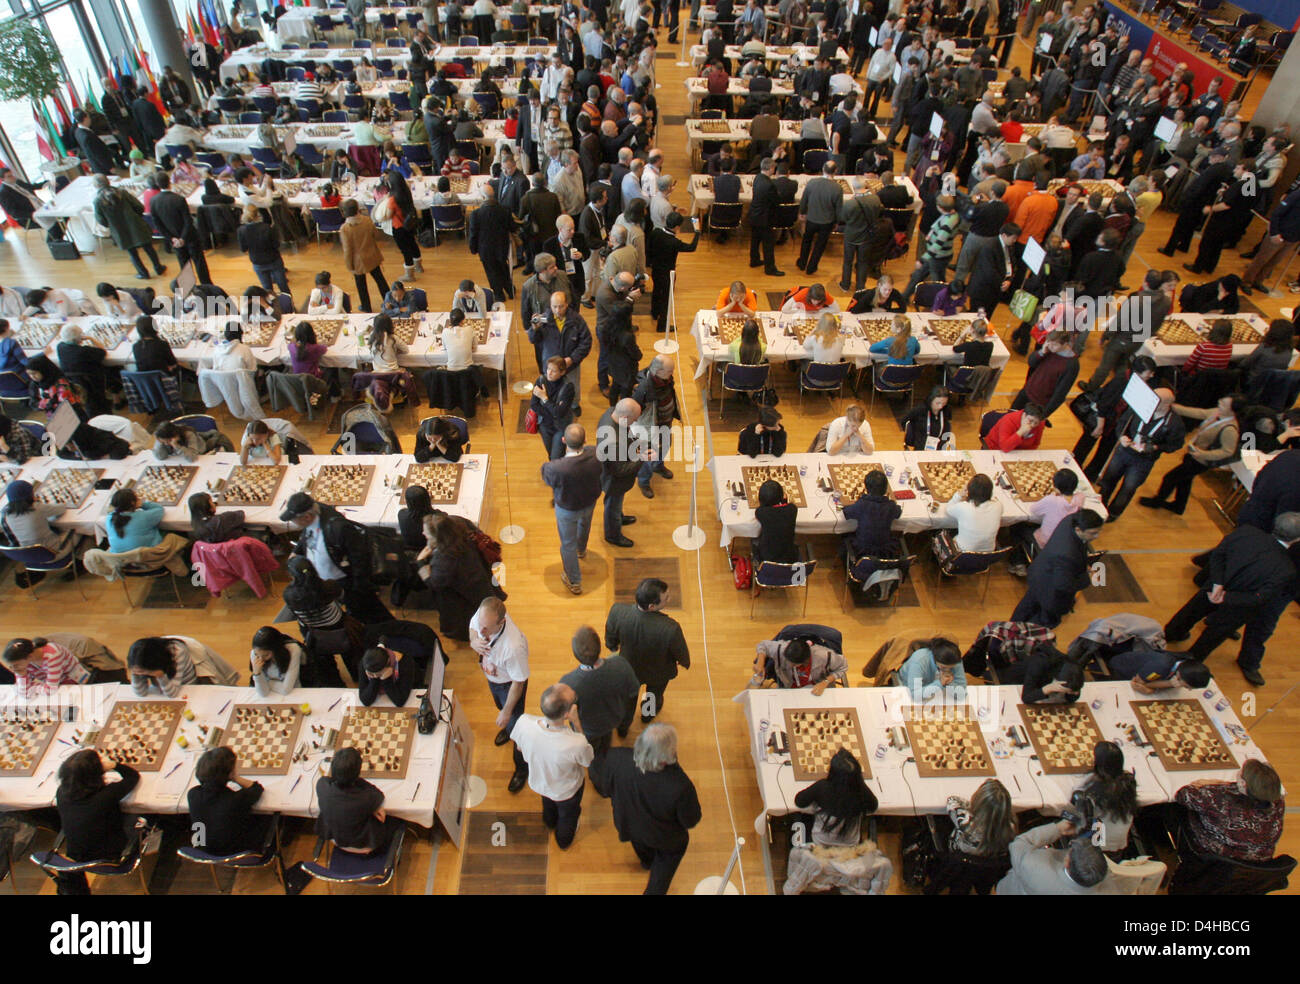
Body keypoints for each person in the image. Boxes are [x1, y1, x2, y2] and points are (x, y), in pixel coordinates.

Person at [1165, 512, 1300, 686]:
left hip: (1213, 587)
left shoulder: (1246, 532)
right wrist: (1225, 597)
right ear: (1296, 539)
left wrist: (1218, 584)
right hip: (1238, 605)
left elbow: (1219, 554)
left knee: (1191, 611)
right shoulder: (1286, 569)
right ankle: (1192, 657)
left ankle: (1171, 633)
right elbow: (1260, 597)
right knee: (1217, 632)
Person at [597, 723, 701, 894]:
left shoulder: (615, 757)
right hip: (665, 839)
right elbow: (690, 820)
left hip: (629, 824)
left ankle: (646, 861)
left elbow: (606, 789)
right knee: (660, 879)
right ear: (665, 758)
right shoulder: (680, 786)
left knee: (642, 847)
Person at [281, 491, 391, 626]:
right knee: (357, 611)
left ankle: (383, 631)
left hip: (348, 583)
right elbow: (306, 534)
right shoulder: (314, 513)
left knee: (369, 610)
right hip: (330, 580)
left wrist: (359, 587)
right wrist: (297, 551)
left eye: (294, 520)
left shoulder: (338, 528)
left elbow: (360, 558)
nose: (293, 523)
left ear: (307, 516)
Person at [510, 684, 594, 848]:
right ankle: (563, 841)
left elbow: (519, 748)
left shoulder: (524, 721)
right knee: (568, 816)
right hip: (567, 791)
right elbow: (588, 761)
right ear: (566, 714)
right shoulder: (576, 742)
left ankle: (549, 822)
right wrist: (576, 723)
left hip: (539, 782)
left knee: (548, 804)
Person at [606, 577, 690, 730]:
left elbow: (610, 637)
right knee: (652, 695)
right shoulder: (670, 628)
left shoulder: (617, 611)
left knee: (628, 698)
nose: (669, 599)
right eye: (666, 598)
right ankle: (647, 715)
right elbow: (680, 652)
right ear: (652, 606)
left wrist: (612, 647)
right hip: (657, 672)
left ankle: (624, 727)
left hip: (628, 669)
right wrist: (684, 662)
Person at [52, 749, 140, 893]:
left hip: (77, 856)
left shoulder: (61, 792)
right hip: (110, 854)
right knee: (146, 815)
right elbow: (132, 776)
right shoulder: (105, 796)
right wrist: (113, 766)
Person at [1140, 395, 1243, 515]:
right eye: (1221, 401)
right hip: (1193, 454)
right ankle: (1179, 506)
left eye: (1224, 404)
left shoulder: (1230, 429)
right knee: (1185, 480)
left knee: (1170, 478)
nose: (1219, 403)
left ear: (1232, 410)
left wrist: (1203, 454)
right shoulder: (1216, 413)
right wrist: (1171, 406)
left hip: (1200, 460)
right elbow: (1198, 413)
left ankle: (1157, 501)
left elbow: (1227, 451)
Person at [469, 596, 531, 793]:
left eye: (486, 628)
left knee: (516, 728)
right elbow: (472, 628)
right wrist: (473, 642)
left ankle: (522, 768)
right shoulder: (483, 617)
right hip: (494, 679)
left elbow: (518, 683)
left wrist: (506, 711)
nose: (482, 631)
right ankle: (507, 727)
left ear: (501, 622)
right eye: (481, 625)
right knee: (501, 709)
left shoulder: (513, 648)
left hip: (509, 685)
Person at [1097, 386, 1185, 520]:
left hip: (1143, 460)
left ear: (1167, 404)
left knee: (1128, 488)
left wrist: (1156, 447)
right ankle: (1099, 507)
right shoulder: (1139, 408)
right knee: (1108, 480)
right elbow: (1122, 422)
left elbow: (1176, 444)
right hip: (1123, 451)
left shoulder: (1174, 424)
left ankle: (1113, 513)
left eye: (1156, 400)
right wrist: (1122, 436)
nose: (1150, 402)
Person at [1173, 760, 1285, 863]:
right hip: (1256, 864)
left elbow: (1182, 794)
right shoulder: (1278, 802)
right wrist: (1225, 784)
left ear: (1243, 784)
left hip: (1213, 857)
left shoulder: (1217, 799)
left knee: (1171, 808)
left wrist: (1213, 785)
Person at [560, 625, 639, 769]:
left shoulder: (568, 683)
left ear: (576, 655)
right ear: (599, 646)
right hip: (615, 717)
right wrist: (625, 722)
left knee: (594, 755)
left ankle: (598, 769)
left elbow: (565, 713)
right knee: (606, 743)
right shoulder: (621, 665)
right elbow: (633, 692)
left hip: (589, 730)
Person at [1010, 510, 1105, 628]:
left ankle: (1011, 629)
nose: (1097, 536)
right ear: (1078, 530)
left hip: (1040, 574)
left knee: (1026, 608)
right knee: (1041, 624)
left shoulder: (1070, 520)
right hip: (1051, 593)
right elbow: (1064, 584)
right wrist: (1086, 578)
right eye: (1093, 533)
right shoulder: (1067, 554)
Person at [416, 513, 503, 640]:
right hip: (481, 576)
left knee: (471, 616)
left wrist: (420, 563)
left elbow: (434, 582)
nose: (423, 534)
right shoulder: (458, 523)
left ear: (439, 537)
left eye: (427, 533)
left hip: (466, 595)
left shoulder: (446, 560)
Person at [541, 423, 602, 595]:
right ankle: (581, 550)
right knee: (585, 525)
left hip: (567, 509)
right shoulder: (597, 454)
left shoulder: (556, 467)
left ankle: (574, 581)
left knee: (567, 545)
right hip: (590, 502)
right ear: (585, 440)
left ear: (563, 440)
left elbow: (546, 477)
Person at [187, 745, 272, 861]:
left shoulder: (192, 794)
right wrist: (235, 778)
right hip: (238, 851)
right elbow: (256, 789)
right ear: (228, 774)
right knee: (273, 816)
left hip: (205, 850)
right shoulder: (235, 799)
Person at [995, 817, 1119, 894]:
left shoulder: (1033, 867)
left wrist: (1058, 829)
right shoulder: (1112, 890)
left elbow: (1019, 843)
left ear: (1067, 862)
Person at [315, 746, 401, 854]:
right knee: (396, 821)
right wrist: (355, 779)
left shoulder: (321, 786)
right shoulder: (365, 799)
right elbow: (378, 795)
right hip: (363, 843)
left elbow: (328, 779)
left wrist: (343, 775)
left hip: (336, 838)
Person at [792, 747, 877, 850]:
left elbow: (799, 801)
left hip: (820, 844)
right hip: (851, 846)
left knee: (801, 816)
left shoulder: (822, 787)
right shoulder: (860, 791)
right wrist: (859, 783)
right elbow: (873, 807)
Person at [92, 175, 166, 280]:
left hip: (119, 230)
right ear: (108, 181)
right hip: (136, 224)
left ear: (96, 185)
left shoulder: (98, 201)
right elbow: (139, 207)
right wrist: (136, 216)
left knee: (133, 254)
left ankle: (143, 273)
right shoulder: (122, 193)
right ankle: (158, 268)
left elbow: (101, 220)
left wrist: (111, 225)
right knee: (149, 248)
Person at [596, 398, 643, 549]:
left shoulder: (612, 412)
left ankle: (618, 518)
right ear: (624, 417)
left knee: (616, 504)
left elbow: (626, 433)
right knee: (612, 506)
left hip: (615, 474)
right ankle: (613, 535)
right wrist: (641, 457)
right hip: (613, 481)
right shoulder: (612, 442)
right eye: (634, 419)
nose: (635, 422)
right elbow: (620, 470)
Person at [2, 479, 80, 561]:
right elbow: (62, 508)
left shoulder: (6, 513)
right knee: (79, 531)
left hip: (29, 557)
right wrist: (38, 503)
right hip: (55, 553)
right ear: (30, 495)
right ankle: (80, 561)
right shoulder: (37, 507)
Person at [339, 198, 390, 313]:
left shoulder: (345, 229)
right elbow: (376, 235)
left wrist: (349, 266)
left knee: (361, 286)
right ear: (358, 209)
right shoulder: (367, 220)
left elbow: (347, 250)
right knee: (380, 280)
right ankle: (389, 301)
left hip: (358, 261)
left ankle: (366, 307)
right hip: (372, 254)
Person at [946, 779, 1017, 858]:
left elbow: (952, 799)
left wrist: (971, 805)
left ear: (978, 800)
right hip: (992, 863)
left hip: (958, 856)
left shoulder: (965, 821)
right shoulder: (1011, 828)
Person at [751, 634, 848, 691]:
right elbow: (763, 645)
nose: (789, 665)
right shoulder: (781, 648)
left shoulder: (823, 656)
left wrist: (826, 681)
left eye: (794, 664)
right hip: (788, 688)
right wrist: (760, 662)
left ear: (806, 660)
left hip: (816, 688)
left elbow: (843, 667)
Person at [1, 636, 89, 696]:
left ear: (29, 657)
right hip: (53, 683)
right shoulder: (25, 662)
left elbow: (50, 690)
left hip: (73, 679)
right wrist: (22, 675)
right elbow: (23, 692)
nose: (13, 669)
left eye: (16, 665)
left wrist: (33, 688)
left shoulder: (52, 655)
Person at [531, 355, 576, 460]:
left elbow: (560, 413)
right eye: (548, 369)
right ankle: (555, 469)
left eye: (554, 371)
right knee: (550, 453)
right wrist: (553, 411)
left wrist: (544, 398)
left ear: (562, 372)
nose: (549, 373)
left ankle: (556, 472)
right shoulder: (541, 380)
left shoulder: (568, 387)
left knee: (556, 456)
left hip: (560, 427)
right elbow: (534, 405)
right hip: (545, 425)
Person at [127, 636, 200, 697]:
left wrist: (160, 676)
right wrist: (135, 673)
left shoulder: (178, 652)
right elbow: (140, 693)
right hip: (162, 687)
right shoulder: (139, 661)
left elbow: (172, 694)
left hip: (186, 686)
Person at [946, 473, 1002, 552]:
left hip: (961, 554)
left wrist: (958, 495)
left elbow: (948, 509)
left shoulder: (964, 507)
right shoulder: (998, 506)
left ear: (969, 492)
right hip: (988, 555)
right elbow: (991, 501)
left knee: (943, 530)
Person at [898, 637, 966, 702]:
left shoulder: (955, 661)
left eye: (951, 668)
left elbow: (962, 694)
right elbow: (915, 695)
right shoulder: (919, 661)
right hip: (906, 683)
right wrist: (940, 683)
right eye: (943, 667)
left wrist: (949, 683)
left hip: (931, 684)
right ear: (935, 659)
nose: (947, 671)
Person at [106, 488, 167, 553]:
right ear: (132, 503)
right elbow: (159, 509)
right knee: (171, 535)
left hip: (122, 559)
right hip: (149, 555)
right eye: (137, 498)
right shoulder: (142, 516)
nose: (139, 499)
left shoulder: (109, 518)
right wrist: (142, 504)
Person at [753, 478, 798, 566]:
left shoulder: (761, 513)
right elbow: (787, 505)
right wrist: (783, 500)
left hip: (766, 558)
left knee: (754, 540)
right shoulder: (792, 509)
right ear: (781, 496)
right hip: (789, 558)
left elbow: (761, 508)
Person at [357, 643, 418, 707]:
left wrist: (386, 679)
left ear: (388, 663)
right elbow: (365, 701)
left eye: (378, 674)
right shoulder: (366, 663)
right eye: (371, 674)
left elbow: (400, 701)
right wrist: (374, 679)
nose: (375, 676)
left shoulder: (405, 663)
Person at [248, 625, 302, 697]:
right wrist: (257, 674)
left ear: (276, 649)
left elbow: (286, 689)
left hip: (294, 693)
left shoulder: (293, 650)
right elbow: (263, 693)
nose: (261, 659)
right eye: (257, 655)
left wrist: (266, 682)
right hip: (270, 695)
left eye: (266, 655)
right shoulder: (255, 654)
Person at [1020, 647, 1085, 703]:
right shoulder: (1038, 665)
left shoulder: (1073, 669)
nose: (1076, 693)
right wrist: (1048, 689)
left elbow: (1072, 699)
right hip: (1018, 682)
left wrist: (1074, 691)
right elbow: (1026, 698)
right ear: (1057, 680)